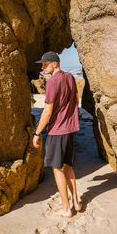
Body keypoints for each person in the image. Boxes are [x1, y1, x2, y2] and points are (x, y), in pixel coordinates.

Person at [33, 51, 82, 218]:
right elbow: (75, 98)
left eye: (45, 64)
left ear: (55, 63)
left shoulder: (53, 81)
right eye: (42, 64)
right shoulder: (69, 77)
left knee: (57, 169)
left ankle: (67, 208)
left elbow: (47, 111)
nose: (42, 67)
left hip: (58, 130)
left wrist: (37, 132)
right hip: (70, 129)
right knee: (67, 166)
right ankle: (76, 202)